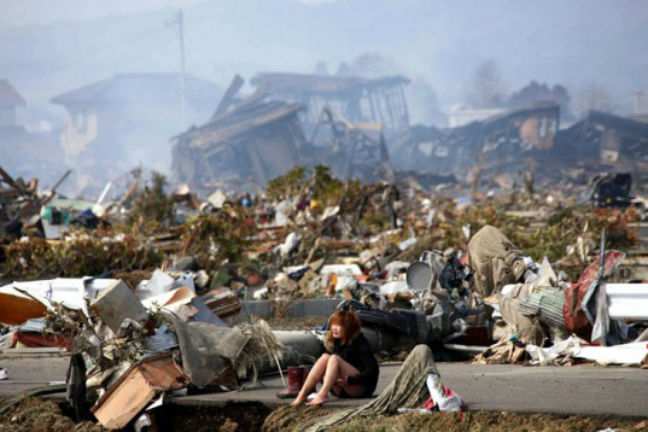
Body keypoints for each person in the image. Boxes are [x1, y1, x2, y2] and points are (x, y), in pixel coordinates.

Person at [290, 309, 379, 406]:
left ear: (348, 328)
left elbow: (373, 371)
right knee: (325, 357)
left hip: (359, 388)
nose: (334, 328)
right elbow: (323, 370)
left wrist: (350, 380)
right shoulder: (334, 342)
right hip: (340, 390)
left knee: (334, 358)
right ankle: (302, 395)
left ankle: (322, 394)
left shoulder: (360, 343)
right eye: (334, 324)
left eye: (339, 325)